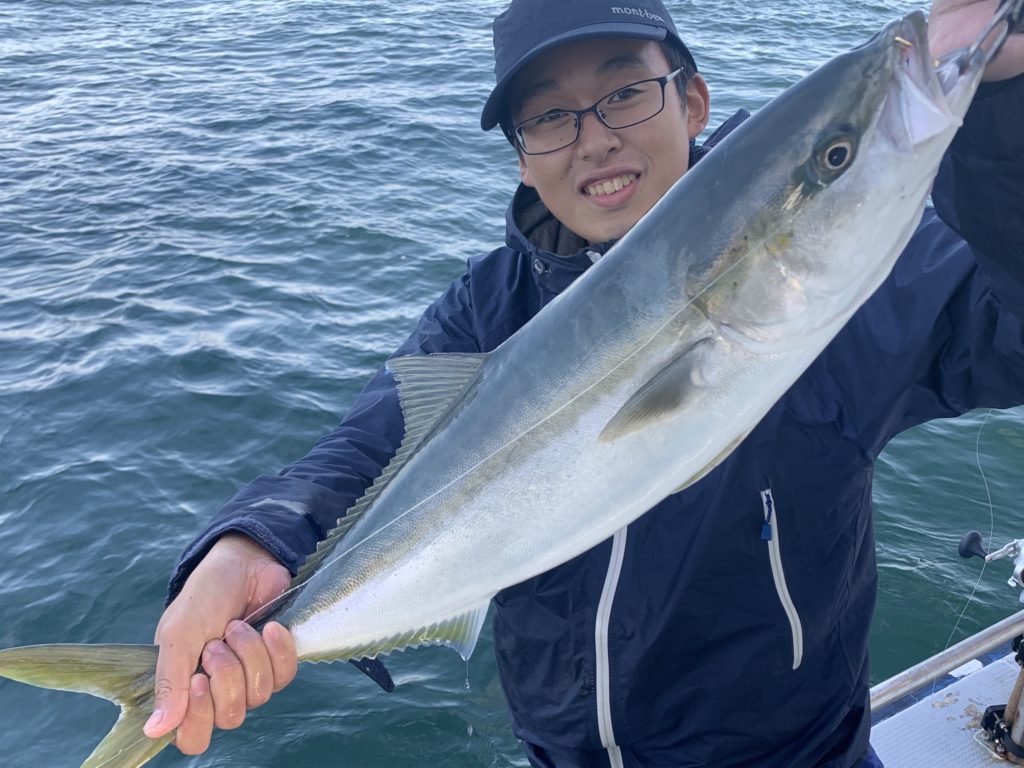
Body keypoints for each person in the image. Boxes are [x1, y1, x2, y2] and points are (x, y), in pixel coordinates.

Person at [143, 0, 1024, 765]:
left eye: (624, 91)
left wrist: (1000, 102)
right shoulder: (485, 309)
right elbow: (364, 448)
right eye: (549, 117)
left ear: (694, 100)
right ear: (523, 159)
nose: (594, 135)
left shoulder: (858, 295)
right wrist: (251, 546)